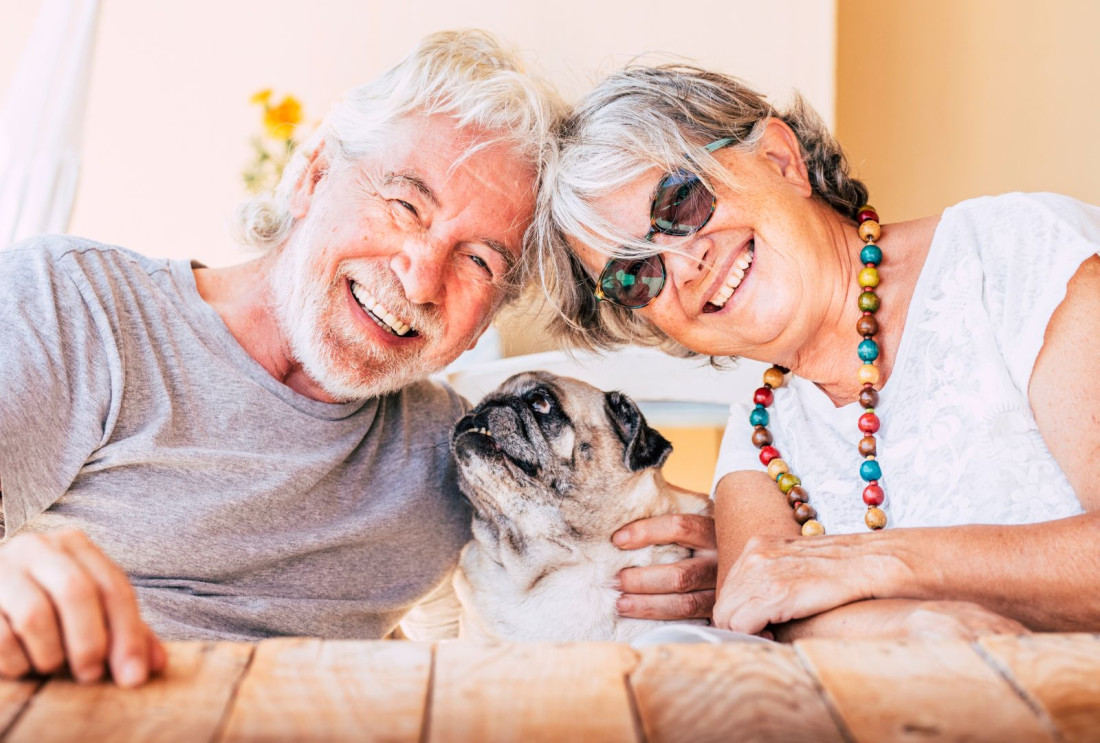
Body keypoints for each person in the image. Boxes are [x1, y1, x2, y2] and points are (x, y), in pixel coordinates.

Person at [0, 33, 717, 689]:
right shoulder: (75, 309)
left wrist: (713, 548)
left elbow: (609, 530)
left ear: (487, 321)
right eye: (406, 206)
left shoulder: (455, 457)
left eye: (478, 260)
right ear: (313, 175)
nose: (418, 277)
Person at [535, 64, 1100, 641]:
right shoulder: (762, 434)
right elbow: (767, 617)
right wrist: (918, 619)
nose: (684, 266)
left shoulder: (1018, 258)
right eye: (635, 276)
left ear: (781, 160)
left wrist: (878, 563)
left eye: (680, 203)